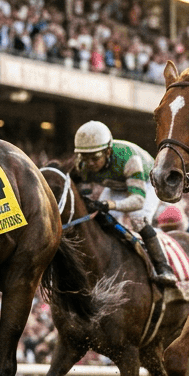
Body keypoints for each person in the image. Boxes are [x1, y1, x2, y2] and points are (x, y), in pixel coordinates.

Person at [73, 121, 178, 286]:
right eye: (85, 158)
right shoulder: (81, 164)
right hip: (116, 184)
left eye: (95, 158)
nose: (90, 163)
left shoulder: (128, 158)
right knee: (102, 218)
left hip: (145, 184)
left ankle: (163, 267)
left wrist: (109, 204)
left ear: (108, 151)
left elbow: (137, 200)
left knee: (138, 218)